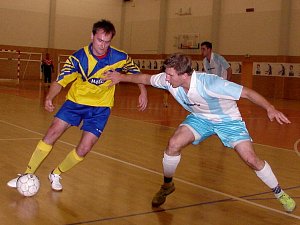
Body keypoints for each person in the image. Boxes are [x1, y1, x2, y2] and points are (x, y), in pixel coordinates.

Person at [104, 53, 296, 212]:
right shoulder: (169, 79)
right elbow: (145, 78)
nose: (166, 78)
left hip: (227, 120)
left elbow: (247, 93)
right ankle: (167, 185)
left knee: (251, 159)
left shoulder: (211, 83)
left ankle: (279, 192)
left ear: (184, 75)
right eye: (166, 75)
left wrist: (270, 108)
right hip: (201, 118)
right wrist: (120, 77)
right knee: (173, 144)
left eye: (170, 75)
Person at [7, 19, 148, 191]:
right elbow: (60, 81)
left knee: (84, 148)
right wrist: (49, 98)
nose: (103, 45)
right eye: (99, 40)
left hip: (101, 108)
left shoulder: (120, 57)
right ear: (92, 36)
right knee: (52, 133)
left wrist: (143, 91)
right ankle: (27, 173)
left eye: (107, 42)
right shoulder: (78, 59)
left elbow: (136, 73)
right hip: (75, 103)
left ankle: (56, 173)